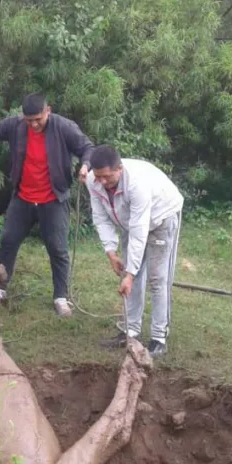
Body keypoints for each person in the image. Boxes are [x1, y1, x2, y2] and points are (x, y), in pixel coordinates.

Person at [0, 93, 93, 315]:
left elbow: (88, 148)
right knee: (9, 241)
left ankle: (60, 296)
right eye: (29, 120)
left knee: (57, 248)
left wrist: (85, 166)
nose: (34, 124)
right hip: (23, 197)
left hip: (53, 198)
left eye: (38, 119)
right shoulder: (16, 125)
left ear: (48, 110)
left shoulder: (64, 127)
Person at [86, 144, 184, 356]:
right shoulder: (92, 181)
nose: (102, 182)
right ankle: (130, 331)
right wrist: (111, 253)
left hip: (161, 218)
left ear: (119, 169)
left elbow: (140, 230)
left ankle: (158, 338)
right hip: (130, 222)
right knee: (132, 276)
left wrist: (130, 274)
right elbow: (100, 217)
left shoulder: (137, 184)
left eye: (107, 177)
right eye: (98, 176)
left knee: (157, 279)